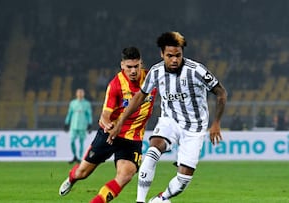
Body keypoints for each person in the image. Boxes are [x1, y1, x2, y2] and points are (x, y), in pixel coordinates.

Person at [108, 31, 227, 203]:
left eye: (178, 55)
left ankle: (161, 199)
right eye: (170, 56)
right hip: (170, 121)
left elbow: (221, 93)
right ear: (162, 54)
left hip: (195, 127)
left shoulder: (196, 71)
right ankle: (139, 201)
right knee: (152, 151)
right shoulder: (156, 72)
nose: (174, 60)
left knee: (183, 182)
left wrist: (216, 123)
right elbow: (139, 97)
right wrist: (120, 123)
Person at [59, 47, 157, 202]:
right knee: (82, 173)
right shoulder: (116, 85)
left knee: (125, 176)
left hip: (133, 139)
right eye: (129, 67)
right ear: (122, 65)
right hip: (110, 134)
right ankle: (72, 178)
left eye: (136, 66)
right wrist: (109, 125)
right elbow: (104, 115)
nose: (133, 71)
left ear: (141, 64)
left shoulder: (152, 78)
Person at [64, 88, 93, 164]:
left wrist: (90, 124)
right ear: (76, 94)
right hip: (73, 125)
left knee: (81, 142)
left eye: (81, 93)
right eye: (78, 93)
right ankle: (74, 156)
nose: (80, 94)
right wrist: (66, 123)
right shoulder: (72, 103)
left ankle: (80, 157)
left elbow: (89, 115)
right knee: (72, 141)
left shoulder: (87, 104)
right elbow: (69, 113)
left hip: (82, 125)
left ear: (83, 94)